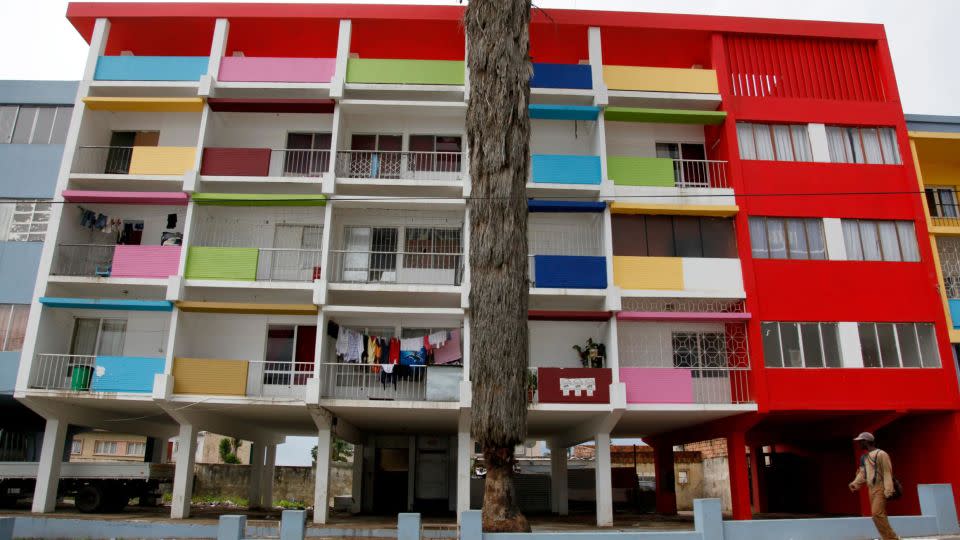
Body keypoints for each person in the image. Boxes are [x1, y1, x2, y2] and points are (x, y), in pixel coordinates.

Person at [848, 432, 897, 540]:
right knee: (877, 516)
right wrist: (855, 483)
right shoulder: (864, 457)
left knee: (877, 514)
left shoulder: (881, 454)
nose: (859, 444)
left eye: (861, 442)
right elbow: (862, 473)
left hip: (881, 487)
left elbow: (887, 472)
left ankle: (892, 538)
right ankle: (888, 538)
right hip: (871, 488)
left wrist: (888, 489)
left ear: (866, 441)